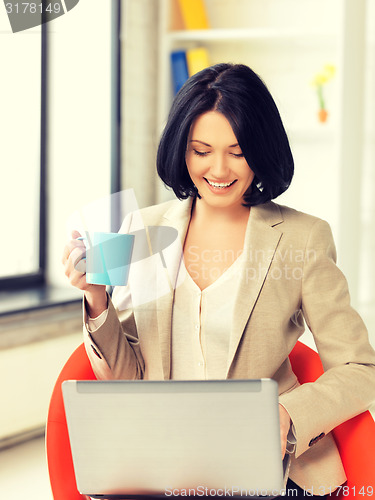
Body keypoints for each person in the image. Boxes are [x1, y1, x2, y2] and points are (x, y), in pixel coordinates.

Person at [62, 63, 375, 497]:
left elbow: (360, 368)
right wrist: (97, 298)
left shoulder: (302, 238)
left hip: (267, 468)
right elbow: (126, 380)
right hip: (160, 465)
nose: (219, 169)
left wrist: (286, 414)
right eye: (201, 150)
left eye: (238, 151)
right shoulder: (142, 231)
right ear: (181, 150)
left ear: (260, 149)